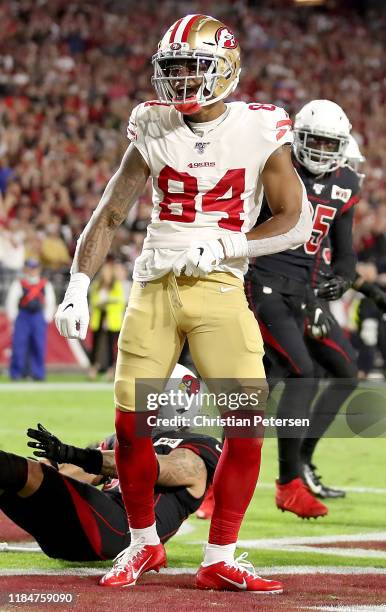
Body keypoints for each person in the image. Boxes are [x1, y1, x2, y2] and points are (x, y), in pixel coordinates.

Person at [55, 14, 312, 592]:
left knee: (246, 426)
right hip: (154, 286)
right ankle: (144, 545)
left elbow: (298, 219)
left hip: (221, 286)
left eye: (194, 70)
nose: (181, 84)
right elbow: (111, 211)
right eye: (173, 71)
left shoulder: (261, 127)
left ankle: (220, 553)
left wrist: (235, 242)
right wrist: (78, 283)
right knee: (130, 426)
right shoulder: (152, 124)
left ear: (226, 71)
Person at [245, 99, 360, 518]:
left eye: (332, 144)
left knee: (345, 373)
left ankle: (301, 464)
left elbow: (344, 252)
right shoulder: (276, 165)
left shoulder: (347, 181)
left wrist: (344, 279)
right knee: (293, 373)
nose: (322, 152)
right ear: (298, 137)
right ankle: (286, 482)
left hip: (306, 292)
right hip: (265, 282)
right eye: (315, 141)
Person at [0, 424, 221, 562]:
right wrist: (53, 464)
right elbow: (73, 476)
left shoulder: (197, 449)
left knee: (20, 470)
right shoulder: (127, 437)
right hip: (77, 535)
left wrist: (73, 454)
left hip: (120, 533)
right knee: (15, 478)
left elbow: (146, 468)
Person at [5, 259, 56, 381]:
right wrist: (14, 318)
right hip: (23, 316)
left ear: (38, 269)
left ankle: (37, 373)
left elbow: (50, 302)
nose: (32, 271)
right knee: (19, 346)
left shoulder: (45, 284)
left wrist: (46, 318)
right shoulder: (19, 284)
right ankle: (17, 373)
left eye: (34, 268)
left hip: (37, 317)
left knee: (38, 345)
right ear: (26, 269)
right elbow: (11, 302)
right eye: (30, 268)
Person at [88, 261, 126, 381]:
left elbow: (120, 302)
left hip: (112, 319)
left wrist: (107, 302)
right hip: (99, 317)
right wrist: (107, 302)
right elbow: (93, 301)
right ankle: (93, 368)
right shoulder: (96, 285)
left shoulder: (116, 286)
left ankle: (111, 370)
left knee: (111, 346)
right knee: (95, 345)